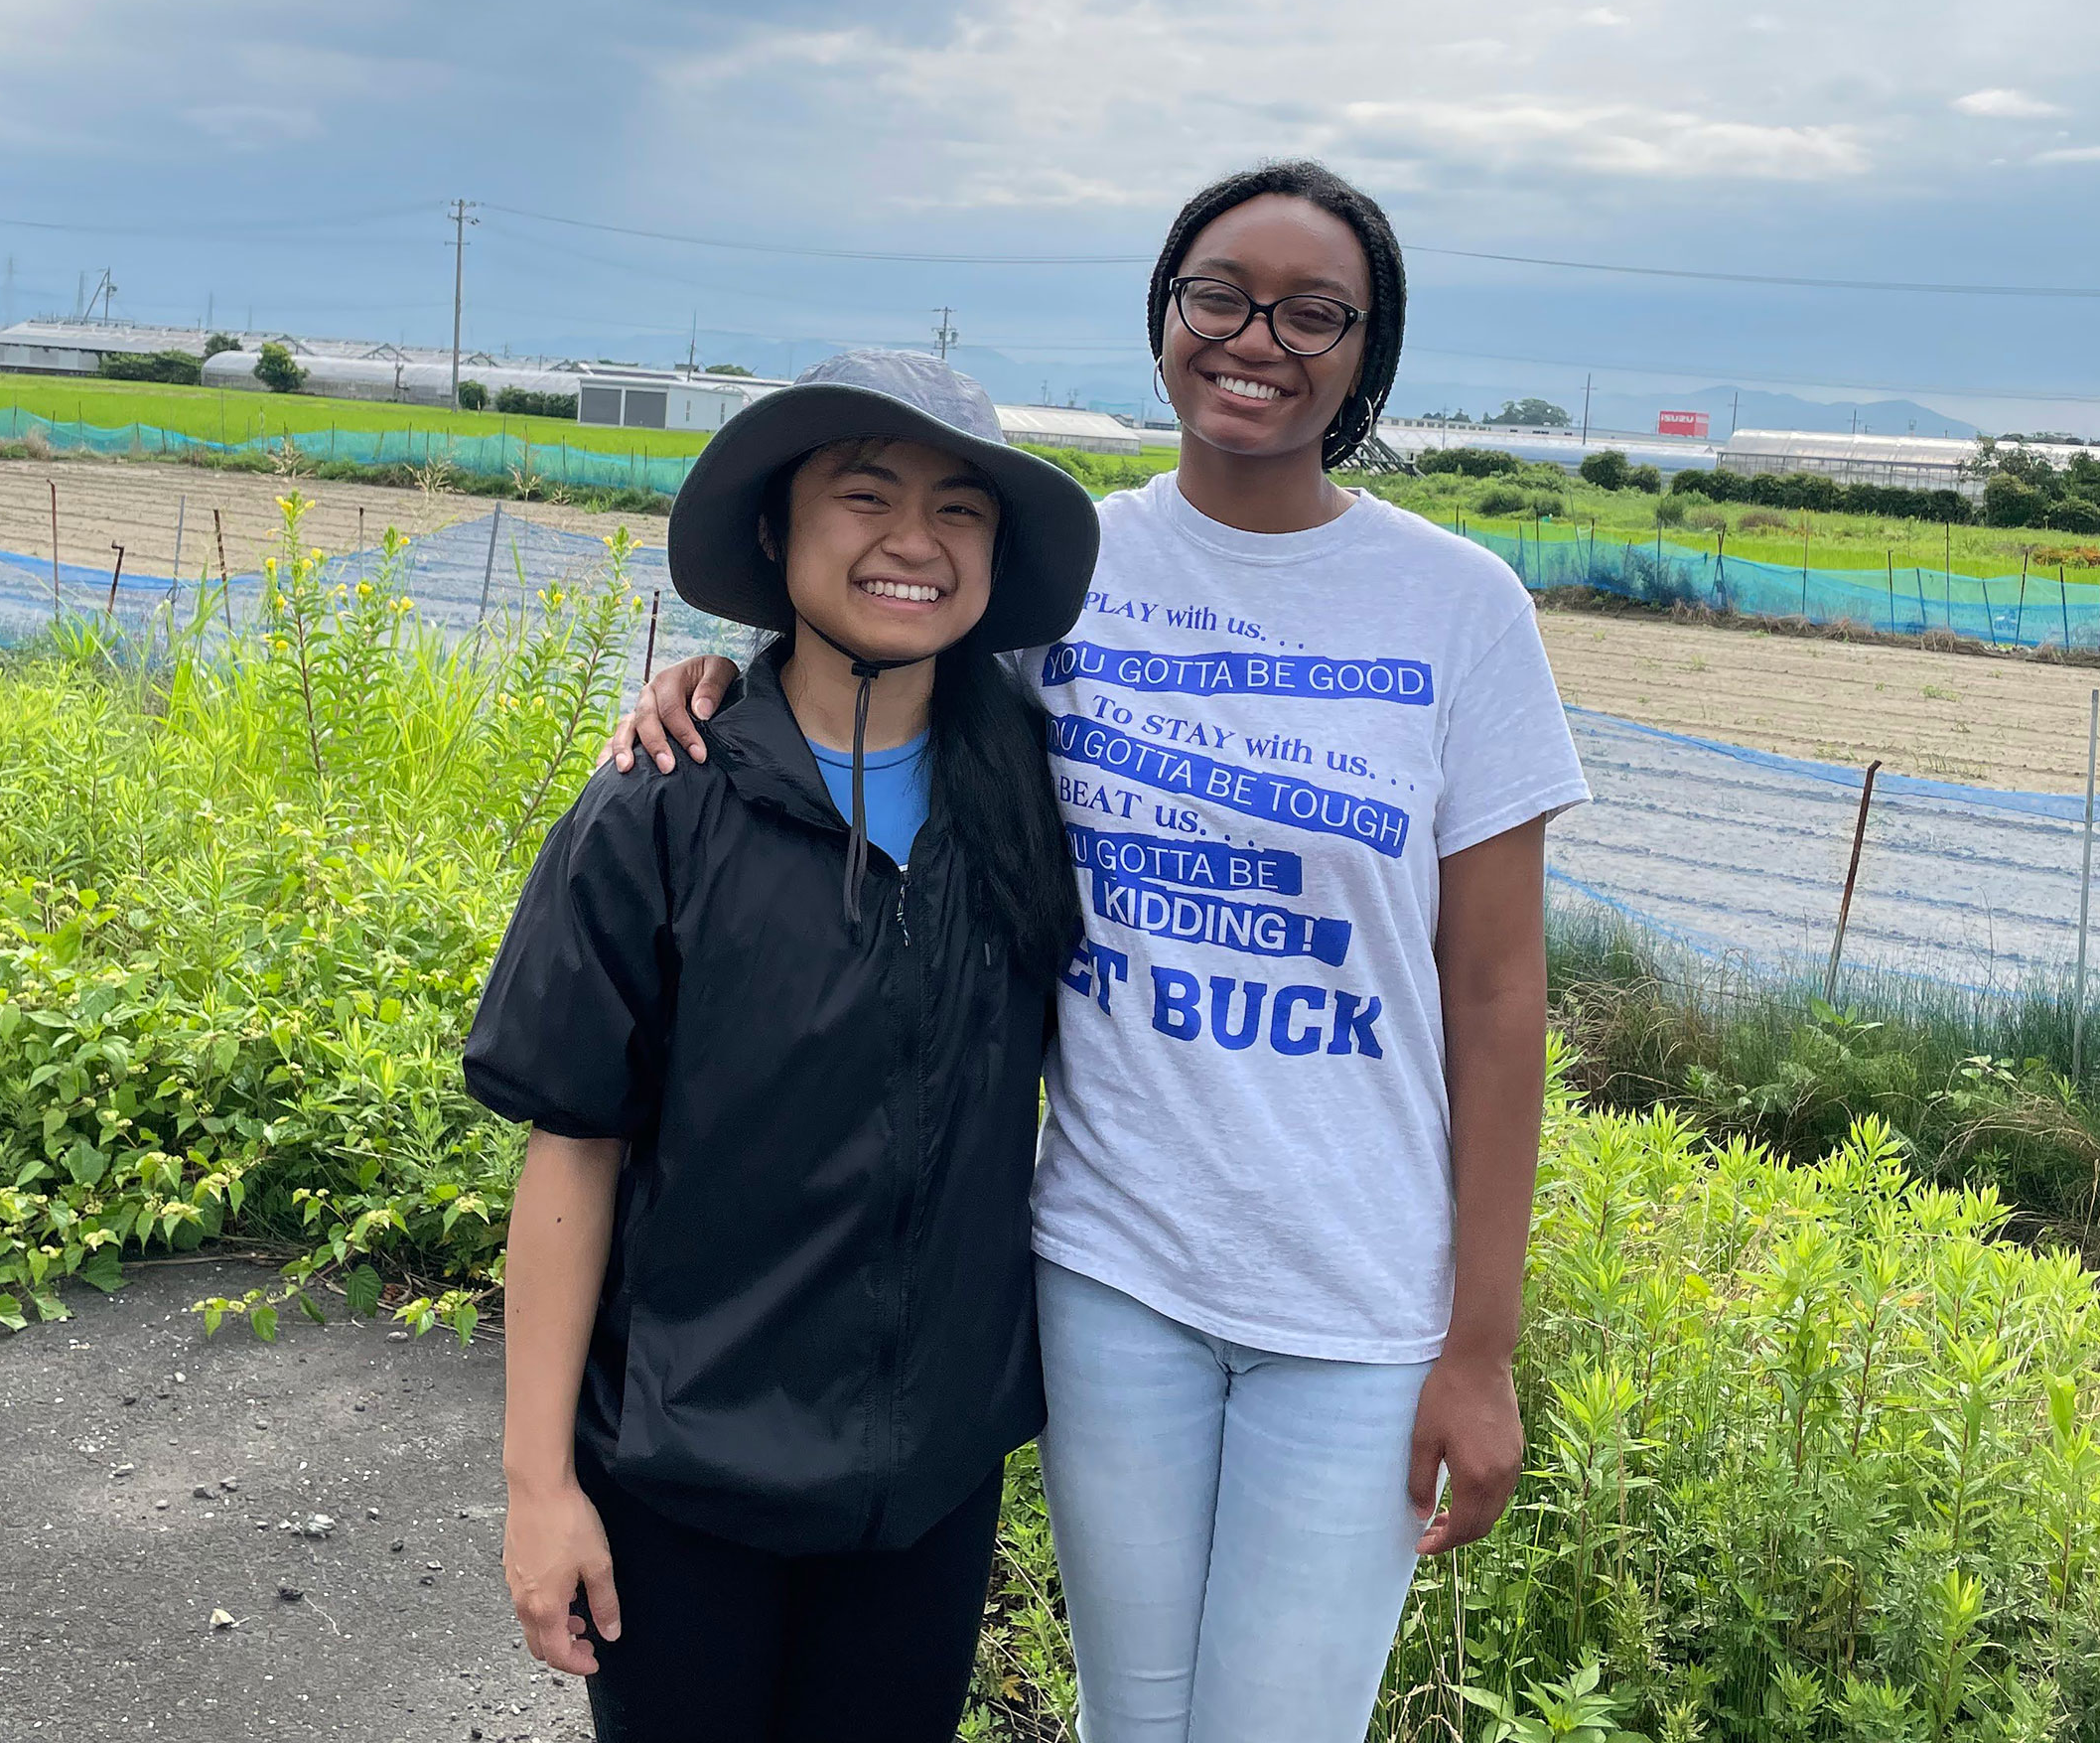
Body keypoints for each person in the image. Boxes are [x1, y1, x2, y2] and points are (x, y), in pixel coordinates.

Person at [615, 161, 1589, 1741]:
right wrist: (716, 690)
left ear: (1367, 355)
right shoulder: (1073, 574)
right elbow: (881, 634)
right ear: (1165, 316)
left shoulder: (1458, 607)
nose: (1257, 337)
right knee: (1130, 1723)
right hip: (1108, 1268)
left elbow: (1498, 998)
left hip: (1354, 1302)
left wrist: (1481, 1346)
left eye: (1315, 312)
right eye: (1220, 294)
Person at [466, 350, 1099, 1743]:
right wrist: (537, 1492)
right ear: (775, 529)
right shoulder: (661, 805)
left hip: (924, 1488)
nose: (914, 544)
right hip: (683, 1475)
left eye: (961, 510)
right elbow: (572, 1146)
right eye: (864, 496)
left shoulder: (1042, 803)